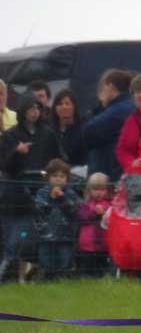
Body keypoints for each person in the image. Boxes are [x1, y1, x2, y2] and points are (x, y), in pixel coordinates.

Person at [1, 93, 61, 281]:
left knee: (43, 234)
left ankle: (41, 270)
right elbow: (4, 166)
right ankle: (9, 270)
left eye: (37, 108)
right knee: (17, 235)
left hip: (44, 190)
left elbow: (59, 159)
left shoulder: (48, 133)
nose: (34, 112)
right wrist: (16, 152)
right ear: (23, 110)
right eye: (30, 108)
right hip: (17, 195)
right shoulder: (12, 135)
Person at [81, 69, 136, 182]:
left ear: (109, 86)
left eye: (102, 88)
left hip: (109, 172)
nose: (100, 92)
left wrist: (101, 107)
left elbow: (88, 131)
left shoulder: (120, 110)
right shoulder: (127, 106)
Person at [33, 159, 81, 279]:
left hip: (66, 235)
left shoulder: (71, 193)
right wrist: (50, 198)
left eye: (62, 176)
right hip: (46, 235)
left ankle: (63, 281)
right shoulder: (42, 192)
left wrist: (62, 199)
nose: (58, 179)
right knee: (46, 262)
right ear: (48, 177)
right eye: (54, 176)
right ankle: (48, 281)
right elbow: (38, 210)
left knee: (65, 262)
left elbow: (74, 211)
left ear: (67, 178)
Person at [75, 172, 112, 275]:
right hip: (88, 243)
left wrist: (105, 214)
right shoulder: (85, 205)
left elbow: (112, 220)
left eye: (102, 189)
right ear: (89, 190)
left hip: (105, 243)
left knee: (102, 266)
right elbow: (82, 217)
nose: (99, 193)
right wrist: (94, 213)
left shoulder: (110, 205)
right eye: (95, 189)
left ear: (107, 190)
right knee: (88, 268)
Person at [50, 88, 87, 169]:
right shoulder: (49, 129)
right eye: (59, 104)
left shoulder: (83, 129)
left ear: (74, 107)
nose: (64, 107)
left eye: (67, 103)